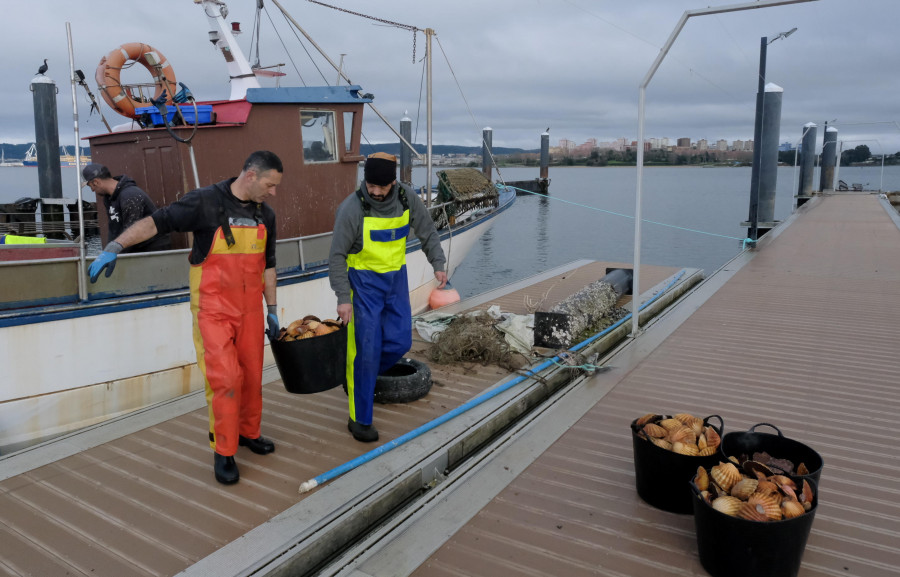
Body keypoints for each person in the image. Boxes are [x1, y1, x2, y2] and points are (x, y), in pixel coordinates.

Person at [88, 151, 283, 485]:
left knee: (251, 376)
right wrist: (115, 246)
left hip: (251, 312)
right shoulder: (204, 202)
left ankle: (249, 433)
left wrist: (273, 310)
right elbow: (156, 222)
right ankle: (224, 451)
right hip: (214, 312)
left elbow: (269, 264)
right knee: (224, 380)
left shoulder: (267, 214)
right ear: (251, 175)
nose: (273, 191)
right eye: (270, 184)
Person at [329, 152, 447, 442]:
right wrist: (343, 298)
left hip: (395, 280)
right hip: (363, 285)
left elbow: (427, 230)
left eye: (381, 187)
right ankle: (360, 420)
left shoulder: (407, 198)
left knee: (400, 341)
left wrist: (438, 263)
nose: (375, 192)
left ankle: (357, 379)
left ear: (393, 183)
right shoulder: (352, 209)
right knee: (366, 351)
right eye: (371, 185)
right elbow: (336, 257)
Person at [82, 163, 171, 252]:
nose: (92, 190)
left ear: (96, 182)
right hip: (134, 245)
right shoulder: (108, 198)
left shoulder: (130, 195)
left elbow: (133, 231)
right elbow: (113, 229)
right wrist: (108, 251)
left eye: (90, 186)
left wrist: (116, 255)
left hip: (153, 247)